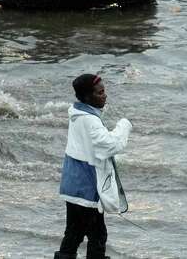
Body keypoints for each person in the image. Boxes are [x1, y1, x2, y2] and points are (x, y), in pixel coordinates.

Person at [55, 73, 132, 259]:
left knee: (73, 233)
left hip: (72, 185)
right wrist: (124, 125)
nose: (105, 95)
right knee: (98, 235)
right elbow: (111, 145)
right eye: (100, 92)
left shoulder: (76, 112)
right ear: (87, 97)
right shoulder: (89, 120)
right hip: (86, 188)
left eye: (104, 91)